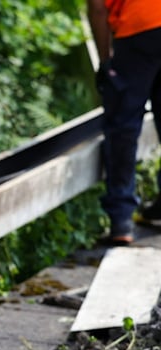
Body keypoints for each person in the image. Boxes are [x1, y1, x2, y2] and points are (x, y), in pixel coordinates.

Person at [87, 0, 161, 245]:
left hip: (138, 31)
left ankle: (121, 220)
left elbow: (98, 7)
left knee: (123, 124)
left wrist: (105, 61)